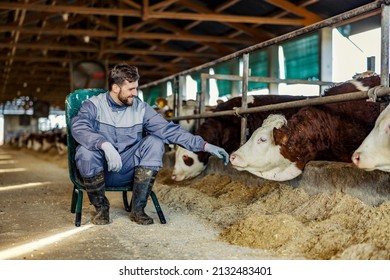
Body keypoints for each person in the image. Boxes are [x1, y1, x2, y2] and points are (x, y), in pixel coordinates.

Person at [71, 63, 229, 226]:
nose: (135, 93)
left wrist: (205, 146)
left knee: (155, 141)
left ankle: (138, 209)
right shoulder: (93, 105)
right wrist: (104, 144)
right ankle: (101, 209)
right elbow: (78, 127)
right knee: (85, 152)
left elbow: (168, 130)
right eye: (131, 89)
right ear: (116, 88)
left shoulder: (140, 108)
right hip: (99, 169)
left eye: (136, 88)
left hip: (129, 170)